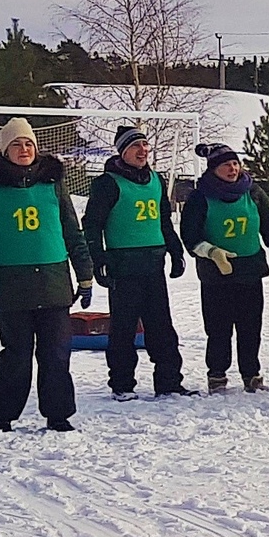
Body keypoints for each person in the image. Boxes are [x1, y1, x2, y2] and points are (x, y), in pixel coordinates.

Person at [0, 117, 94, 433]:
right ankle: (2, 414)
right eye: (16, 144)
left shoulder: (53, 184)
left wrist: (85, 274)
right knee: (16, 356)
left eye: (28, 143)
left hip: (53, 282)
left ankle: (58, 414)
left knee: (56, 354)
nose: (24, 149)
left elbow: (72, 232)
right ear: (5, 150)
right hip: (11, 285)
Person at [81, 125, 191, 400]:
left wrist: (175, 251)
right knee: (123, 327)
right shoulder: (107, 183)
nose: (143, 151)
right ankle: (122, 384)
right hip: (123, 263)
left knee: (161, 325)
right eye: (135, 146)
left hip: (153, 263)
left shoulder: (156, 179)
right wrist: (99, 259)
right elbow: (92, 224)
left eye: (145, 145)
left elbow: (163, 219)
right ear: (123, 151)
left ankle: (168, 381)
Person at [180, 140, 269, 392]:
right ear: (213, 169)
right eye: (226, 165)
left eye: (235, 163)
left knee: (251, 327)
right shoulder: (200, 197)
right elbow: (190, 236)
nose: (233, 169)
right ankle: (217, 376)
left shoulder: (253, 193)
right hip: (216, 274)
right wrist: (212, 252)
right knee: (218, 328)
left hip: (250, 271)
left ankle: (252, 374)